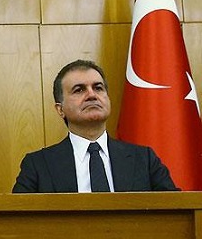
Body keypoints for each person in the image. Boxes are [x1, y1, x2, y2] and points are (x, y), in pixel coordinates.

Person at [12, 59, 177, 193]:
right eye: (79, 90)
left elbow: (175, 212)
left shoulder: (144, 159)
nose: (92, 95)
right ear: (60, 109)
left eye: (98, 88)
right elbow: (18, 219)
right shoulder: (38, 165)